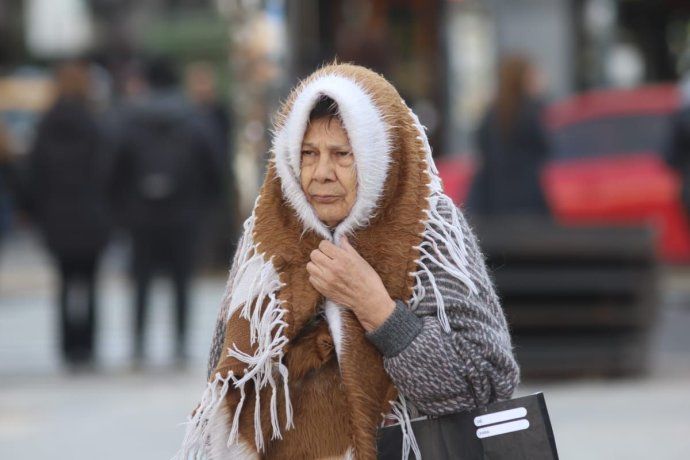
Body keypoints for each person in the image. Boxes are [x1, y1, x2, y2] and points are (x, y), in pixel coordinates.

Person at [178, 63, 519, 459]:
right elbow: (222, 379)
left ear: (379, 157)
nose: (321, 173)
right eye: (308, 154)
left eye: (342, 154)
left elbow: (487, 383)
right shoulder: (266, 240)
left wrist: (380, 311)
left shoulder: (429, 237)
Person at [108, 56, 222, 367]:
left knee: (141, 280)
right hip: (184, 214)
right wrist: (203, 207)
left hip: (141, 216)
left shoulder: (130, 119)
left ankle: (138, 345)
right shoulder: (194, 119)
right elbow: (214, 168)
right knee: (181, 281)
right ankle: (180, 343)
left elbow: (114, 169)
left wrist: (123, 209)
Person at [28, 61, 110, 368]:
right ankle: (87, 346)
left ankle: (67, 347)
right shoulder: (95, 123)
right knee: (89, 283)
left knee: (64, 283)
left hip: (58, 217)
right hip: (92, 216)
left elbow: (35, 174)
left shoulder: (46, 124)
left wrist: (36, 213)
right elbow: (107, 171)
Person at [467, 55, 551, 217]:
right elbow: (545, 148)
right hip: (526, 196)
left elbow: (482, 147)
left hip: (493, 196)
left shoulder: (492, 112)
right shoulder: (531, 110)